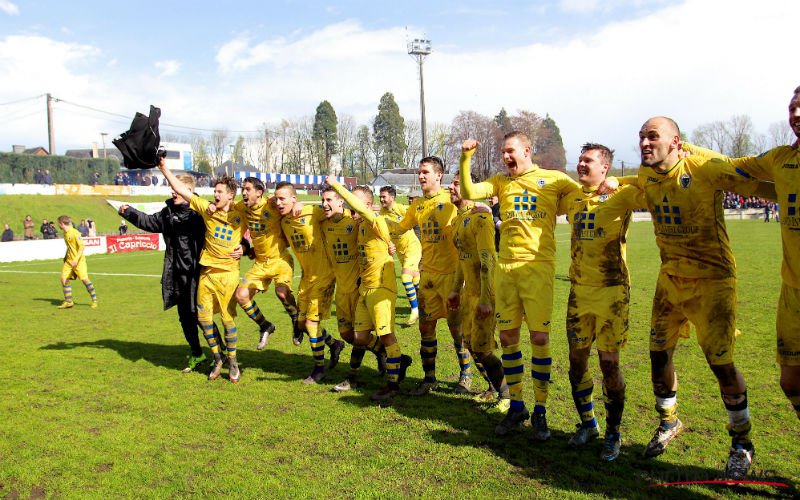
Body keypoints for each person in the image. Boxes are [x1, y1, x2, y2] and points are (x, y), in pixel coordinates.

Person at [632, 116, 776, 480]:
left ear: (676, 142)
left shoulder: (704, 167)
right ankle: (669, 422)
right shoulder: (645, 174)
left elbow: (759, 183)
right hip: (670, 279)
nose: (645, 143)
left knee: (721, 365)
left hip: (713, 280)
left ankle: (741, 442)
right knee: (658, 355)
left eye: (653, 136)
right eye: (641, 138)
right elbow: (624, 184)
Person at [681, 86, 800, 426]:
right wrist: (688, 148)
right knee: (791, 382)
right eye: (792, 108)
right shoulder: (781, 159)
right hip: (792, 291)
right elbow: (734, 166)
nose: (796, 115)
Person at [459, 134, 582, 439]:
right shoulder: (501, 182)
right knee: (509, 336)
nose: (505, 157)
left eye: (510, 151)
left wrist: (611, 185)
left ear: (527, 151)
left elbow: (584, 195)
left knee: (539, 337)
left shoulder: (554, 179)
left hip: (537, 268)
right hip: (506, 269)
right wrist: (465, 158)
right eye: (503, 152)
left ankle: (540, 410)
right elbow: (470, 191)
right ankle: (517, 405)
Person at [557, 143, 644, 461]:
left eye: (588, 160)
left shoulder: (622, 194)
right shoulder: (572, 196)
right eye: (580, 159)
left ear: (605, 167)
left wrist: (624, 181)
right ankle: (588, 423)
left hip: (612, 293)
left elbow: (653, 184)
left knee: (610, 365)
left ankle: (614, 432)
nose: (581, 164)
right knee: (576, 363)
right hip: (579, 293)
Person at [118, 173, 233, 374]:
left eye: (175, 188)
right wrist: (129, 212)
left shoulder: (202, 211)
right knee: (184, 317)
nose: (172, 192)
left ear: (186, 190)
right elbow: (148, 222)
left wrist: (243, 245)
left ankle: (221, 350)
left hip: (198, 273)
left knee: (199, 314)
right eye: (171, 188)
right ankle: (197, 353)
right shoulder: (168, 212)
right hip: (176, 274)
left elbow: (228, 230)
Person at [158, 159, 247, 383]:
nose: (215, 195)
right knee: (204, 318)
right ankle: (218, 358)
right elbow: (180, 189)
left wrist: (245, 247)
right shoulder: (206, 209)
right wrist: (163, 168)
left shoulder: (240, 212)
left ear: (230, 196)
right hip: (206, 273)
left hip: (228, 275)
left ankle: (233, 360)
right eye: (214, 191)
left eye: (219, 192)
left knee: (227, 320)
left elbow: (260, 209)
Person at [328, 179, 413, 399]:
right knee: (360, 336)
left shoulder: (375, 220)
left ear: (365, 205)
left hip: (381, 287)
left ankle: (393, 386)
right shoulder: (359, 225)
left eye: (355, 204)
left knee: (386, 335)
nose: (350, 208)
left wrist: (336, 186)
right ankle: (397, 362)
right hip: (365, 288)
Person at [397, 156, 473, 396]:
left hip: (451, 277)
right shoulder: (417, 205)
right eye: (419, 172)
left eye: (425, 172)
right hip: (427, 276)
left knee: (456, 330)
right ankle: (429, 379)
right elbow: (399, 229)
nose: (421, 176)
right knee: (425, 328)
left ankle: (466, 376)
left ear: (439, 175)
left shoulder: (450, 201)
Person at [447, 177, 510, 414]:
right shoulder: (458, 220)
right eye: (450, 184)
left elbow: (488, 260)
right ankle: (494, 388)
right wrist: (455, 289)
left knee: (483, 348)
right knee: (473, 345)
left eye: (456, 183)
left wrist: (486, 298)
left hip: (485, 293)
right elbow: (462, 259)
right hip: (469, 294)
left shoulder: (481, 218)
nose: (451, 188)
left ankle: (507, 395)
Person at [274, 181, 344, 384]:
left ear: (294, 199)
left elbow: (337, 209)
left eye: (283, 199)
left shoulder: (312, 211)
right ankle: (334, 344)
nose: (278, 202)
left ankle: (319, 370)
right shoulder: (283, 222)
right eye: (276, 199)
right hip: (306, 278)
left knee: (312, 323)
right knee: (303, 324)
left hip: (325, 275)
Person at [320, 186, 386, 392]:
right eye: (323, 200)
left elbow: (382, 225)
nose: (325, 204)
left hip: (360, 288)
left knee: (359, 335)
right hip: (341, 290)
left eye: (330, 200)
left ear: (342, 202)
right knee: (347, 335)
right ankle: (382, 351)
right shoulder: (322, 221)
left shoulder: (357, 221)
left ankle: (353, 376)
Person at [226, 177, 302, 350]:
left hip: (280, 259)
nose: (244, 192)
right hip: (260, 264)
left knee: (282, 292)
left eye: (247, 189)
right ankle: (265, 325)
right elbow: (226, 208)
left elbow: (290, 201)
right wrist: (245, 248)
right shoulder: (241, 208)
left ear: (259, 192)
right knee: (241, 296)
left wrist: (299, 204)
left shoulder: (272, 204)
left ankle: (296, 320)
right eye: (242, 189)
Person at [379, 186, 423, 325]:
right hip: (400, 252)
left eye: (384, 197)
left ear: (392, 197)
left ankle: (415, 310)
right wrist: (388, 244)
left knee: (405, 277)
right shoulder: (381, 213)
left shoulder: (400, 208)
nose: (381, 199)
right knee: (416, 279)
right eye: (380, 197)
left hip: (413, 247)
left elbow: (418, 216)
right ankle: (425, 305)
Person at [56, 215, 97, 309]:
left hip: (79, 261)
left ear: (62, 224)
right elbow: (70, 247)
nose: (58, 225)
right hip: (69, 261)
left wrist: (76, 259)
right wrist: (66, 256)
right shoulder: (65, 233)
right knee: (63, 279)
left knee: (84, 280)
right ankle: (69, 301)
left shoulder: (75, 233)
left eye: (59, 223)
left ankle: (94, 300)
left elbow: (81, 247)